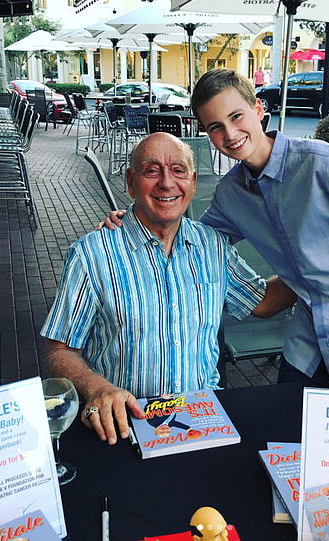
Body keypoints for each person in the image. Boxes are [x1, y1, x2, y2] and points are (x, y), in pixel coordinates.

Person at [100, 69, 329, 395]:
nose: (231, 133)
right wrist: (135, 219)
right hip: (309, 324)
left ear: (259, 110)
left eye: (236, 116)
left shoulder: (320, 162)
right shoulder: (231, 193)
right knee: (286, 424)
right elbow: (189, 236)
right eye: (216, 127)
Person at [41, 132, 296, 445]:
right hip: (125, 424)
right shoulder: (93, 254)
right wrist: (96, 388)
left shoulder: (212, 245)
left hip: (202, 421)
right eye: (152, 170)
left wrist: (318, 273)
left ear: (192, 181)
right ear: (131, 182)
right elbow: (60, 350)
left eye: (178, 170)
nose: (166, 182)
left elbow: (263, 301)